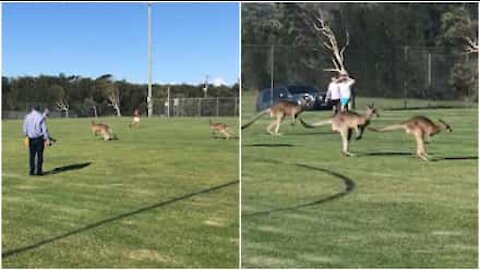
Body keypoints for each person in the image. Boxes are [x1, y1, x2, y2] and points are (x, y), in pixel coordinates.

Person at [23, 105, 50, 176]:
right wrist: (47, 138)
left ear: (32, 109)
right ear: (38, 109)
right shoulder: (40, 117)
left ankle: (31, 171)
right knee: (40, 156)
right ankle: (39, 171)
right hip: (39, 139)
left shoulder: (27, 117)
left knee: (31, 156)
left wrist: (26, 135)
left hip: (31, 139)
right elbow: (44, 129)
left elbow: (25, 128)